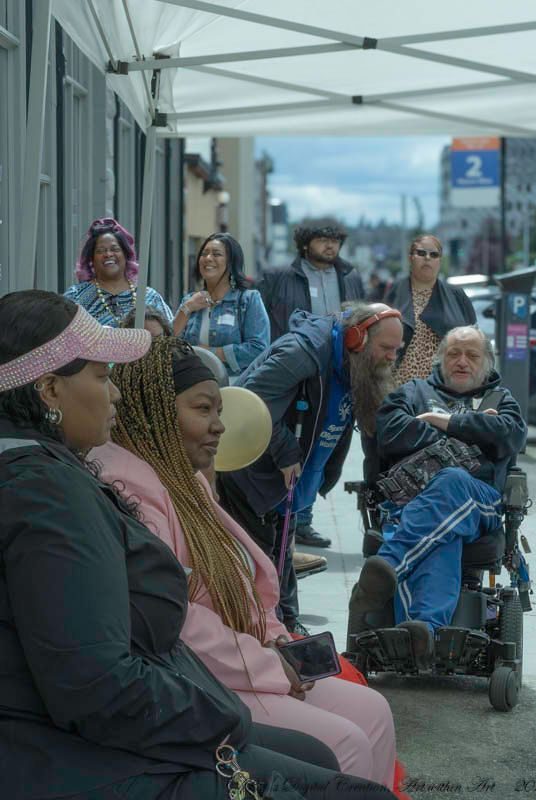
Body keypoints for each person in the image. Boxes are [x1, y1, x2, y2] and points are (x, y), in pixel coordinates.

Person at [0, 290, 398, 800]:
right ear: (49, 390)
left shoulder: (59, 477)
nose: (115, 394)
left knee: (336, 746)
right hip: (75, 756)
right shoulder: (51, 494)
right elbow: (95, 684)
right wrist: (223, 718)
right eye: (101, 377)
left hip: (103, 731)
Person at [93, 337, 397, 787]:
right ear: (156, 412)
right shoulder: (129, 486)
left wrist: (278, 643)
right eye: (203, 410)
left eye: (219, 410)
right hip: (196, 679)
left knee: (373, 710)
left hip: (246, 661)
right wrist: (271, 665)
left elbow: (241, 584)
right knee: (343, 743)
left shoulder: (182, 476)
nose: (219, 426)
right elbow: (175, 618)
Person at [218, 303, 404, 636]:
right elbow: (250, 401)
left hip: (286, 481)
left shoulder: (351, 359)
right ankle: (270, 632)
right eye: (386, 348)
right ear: (356, 338)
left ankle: (286, 627)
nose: (393, 357)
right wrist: (286, 450)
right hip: (252, 473)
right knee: (265, 560)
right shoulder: (302, 352)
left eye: (397, 349)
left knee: (280, 554)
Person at [350, 326, 526, 667]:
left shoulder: (501, 400)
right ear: (440, 359)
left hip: (478, 502)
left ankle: (391, 562)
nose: (462, 361)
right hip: (415, 505)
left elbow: (508, 437)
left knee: (452, 481)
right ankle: (425, 632)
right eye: (454, 354)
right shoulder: (411, 393)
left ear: (487, 364)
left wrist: (445, 422)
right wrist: (474, 428)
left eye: (472, 355)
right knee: (442, 532)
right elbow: (392, 434)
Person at [258, 220, 365, 549]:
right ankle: (278, 512)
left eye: (335, 241)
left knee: (324, 446)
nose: (330, 247)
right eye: (323, 240)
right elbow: (264, 322)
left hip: (335, 371)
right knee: (290, 439)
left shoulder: (349, 277)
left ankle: (302, 518)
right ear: (306, 244)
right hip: (296, 368)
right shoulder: (280, 278)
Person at [173, 233, 270, 382]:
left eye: (216, 254)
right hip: (192, 386)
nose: (208, 258)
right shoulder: (190, 300)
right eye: (204, 253)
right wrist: (186, 308)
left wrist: (207, 353)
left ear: (231, 263)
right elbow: (168, 344)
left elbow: (258, 349)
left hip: (235, 387)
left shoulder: (248, 300)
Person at [384, 234, 476, 386]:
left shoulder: (456, 295)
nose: (427, 258)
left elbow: (474, 341)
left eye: (434, 254)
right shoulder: (395, 291)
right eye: (421, 253)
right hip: (399, 387)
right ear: (410, 258)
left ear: (440, 261)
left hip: (444, 387)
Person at [64, 217, 173, 327]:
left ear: (126, 255)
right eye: (100, 251)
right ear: (91, 258)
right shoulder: (76, 296)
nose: (108, 254)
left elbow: (170, 335)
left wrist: (186, 309)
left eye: (115, 249)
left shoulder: (148, 297)